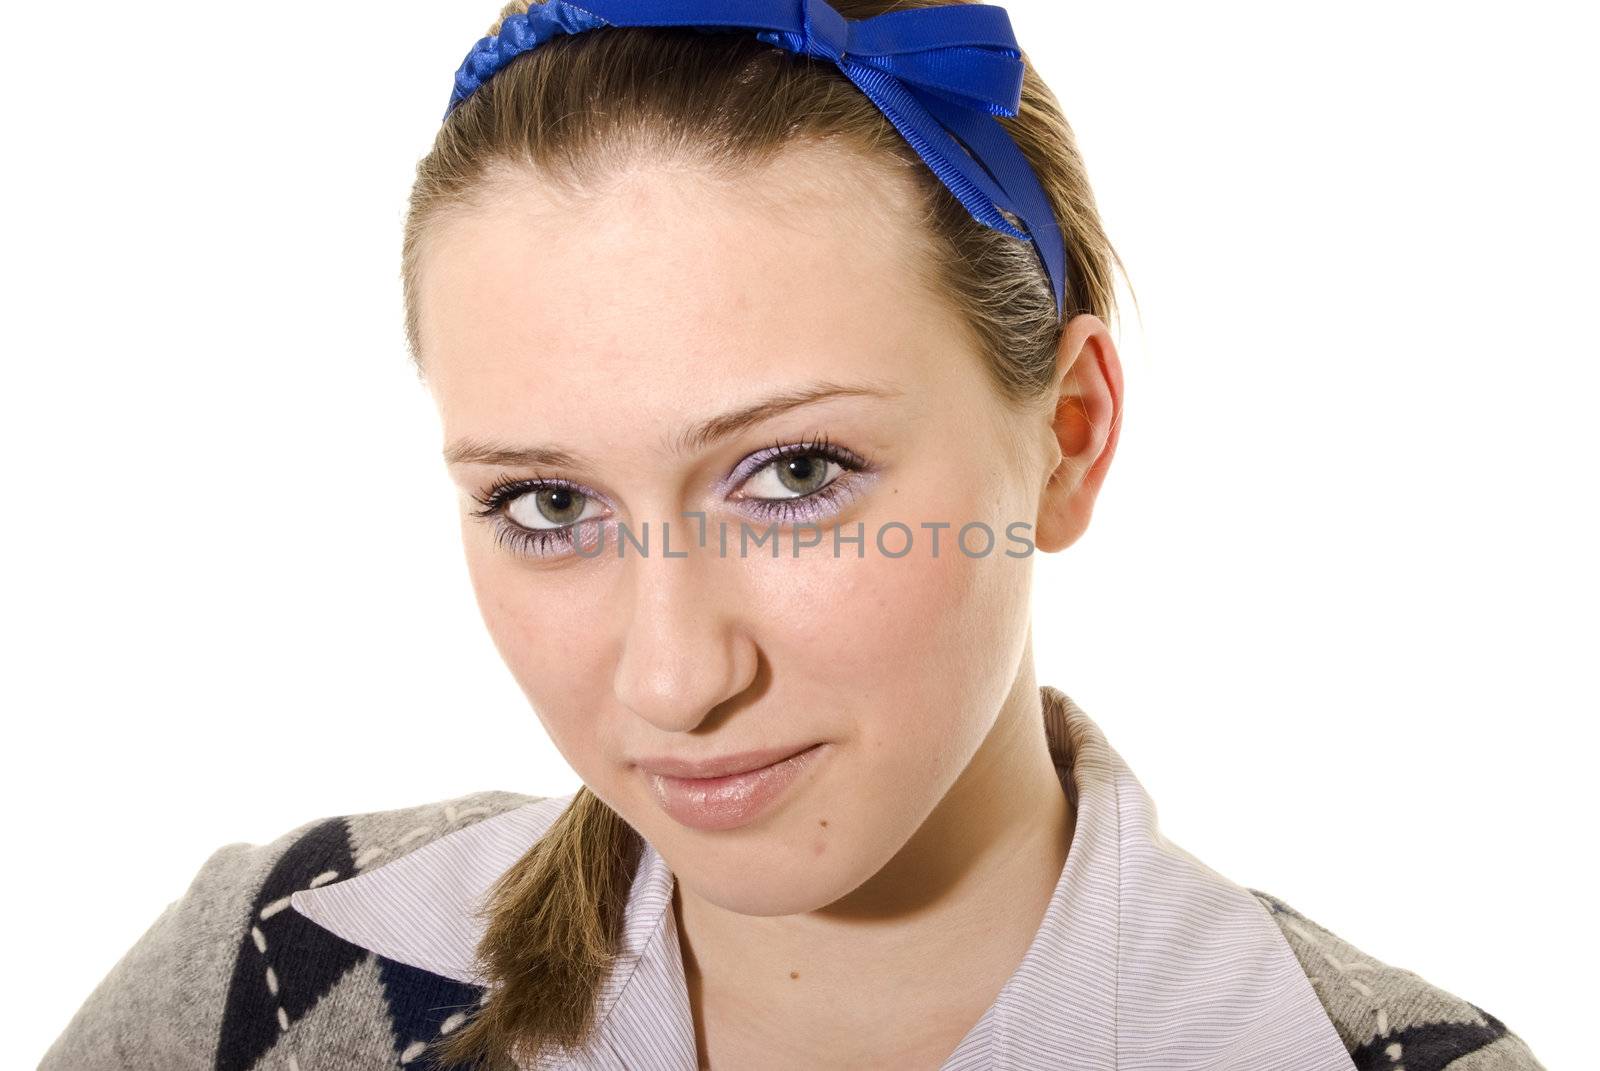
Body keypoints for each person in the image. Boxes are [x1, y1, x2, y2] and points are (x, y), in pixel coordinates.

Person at [40, 1, 1546, 1069]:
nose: (673, 679)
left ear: (1069, 436)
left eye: (796, 471)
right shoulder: (270, 971)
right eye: (547, 504)